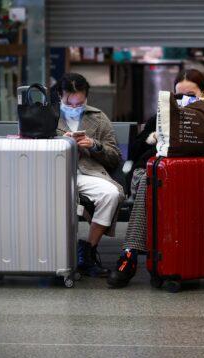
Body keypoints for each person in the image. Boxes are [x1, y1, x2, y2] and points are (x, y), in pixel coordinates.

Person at [107, 69, 204, 288]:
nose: (184, 101)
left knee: (153, 185)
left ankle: (130, 255)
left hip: (188, 177)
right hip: (149, 172)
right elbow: (134, 151)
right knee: (151, 183)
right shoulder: (161, 117)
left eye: (191, 95)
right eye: (178, 96)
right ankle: (131, 253)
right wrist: (153, 139)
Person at [56, 73, 125, 277]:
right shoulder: (48, 116)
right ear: (61, 95)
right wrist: (60, 143)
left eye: (80, 103)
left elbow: (114, 157)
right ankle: (50, 252)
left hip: (86, 173)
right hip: (53, 174)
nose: (75, 107)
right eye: (70, 102)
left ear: (86, 97)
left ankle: (87, 251)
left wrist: (95, 146)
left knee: (111, 194)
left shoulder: (98, 117)